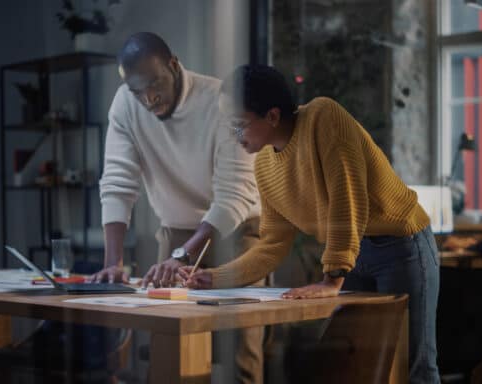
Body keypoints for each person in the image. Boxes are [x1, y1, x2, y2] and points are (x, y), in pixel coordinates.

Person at [181, 64, 441, 383]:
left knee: (413, 364)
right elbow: (273, 245)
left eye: (238, 126)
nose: (234, 137)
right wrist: (217, 278)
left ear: (273, 116)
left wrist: (331, 279)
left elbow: (348, 199)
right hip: (355, 256)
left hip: (401, 245)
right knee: (359, 364)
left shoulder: (322, 116)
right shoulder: (264, 164)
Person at [88, 32, 264, 383]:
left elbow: (233, 196)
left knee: (239, 352)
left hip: (237, 230)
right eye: (139, 91)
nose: (149, 98)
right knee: (169, 349)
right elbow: (118, 182)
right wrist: (113, 263)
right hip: (177, 231)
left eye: (155, 84)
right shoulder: (126, 104)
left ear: (174, 64)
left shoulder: (220, 101)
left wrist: (184, 254)